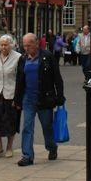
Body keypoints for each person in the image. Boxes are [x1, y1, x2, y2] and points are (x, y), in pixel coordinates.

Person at [13, 33, 65, 166]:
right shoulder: (23, 59)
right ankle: (27, 156)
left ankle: (52, 147)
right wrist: (17, 100)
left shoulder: (47, 56)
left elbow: (57, 78)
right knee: (27, 127)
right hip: (28, 99)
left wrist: (60, 96)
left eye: (29, 45)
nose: (26, 48)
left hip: (44, 99)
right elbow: (19, 81)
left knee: (47, 127)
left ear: (36, 44)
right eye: (24, 46)